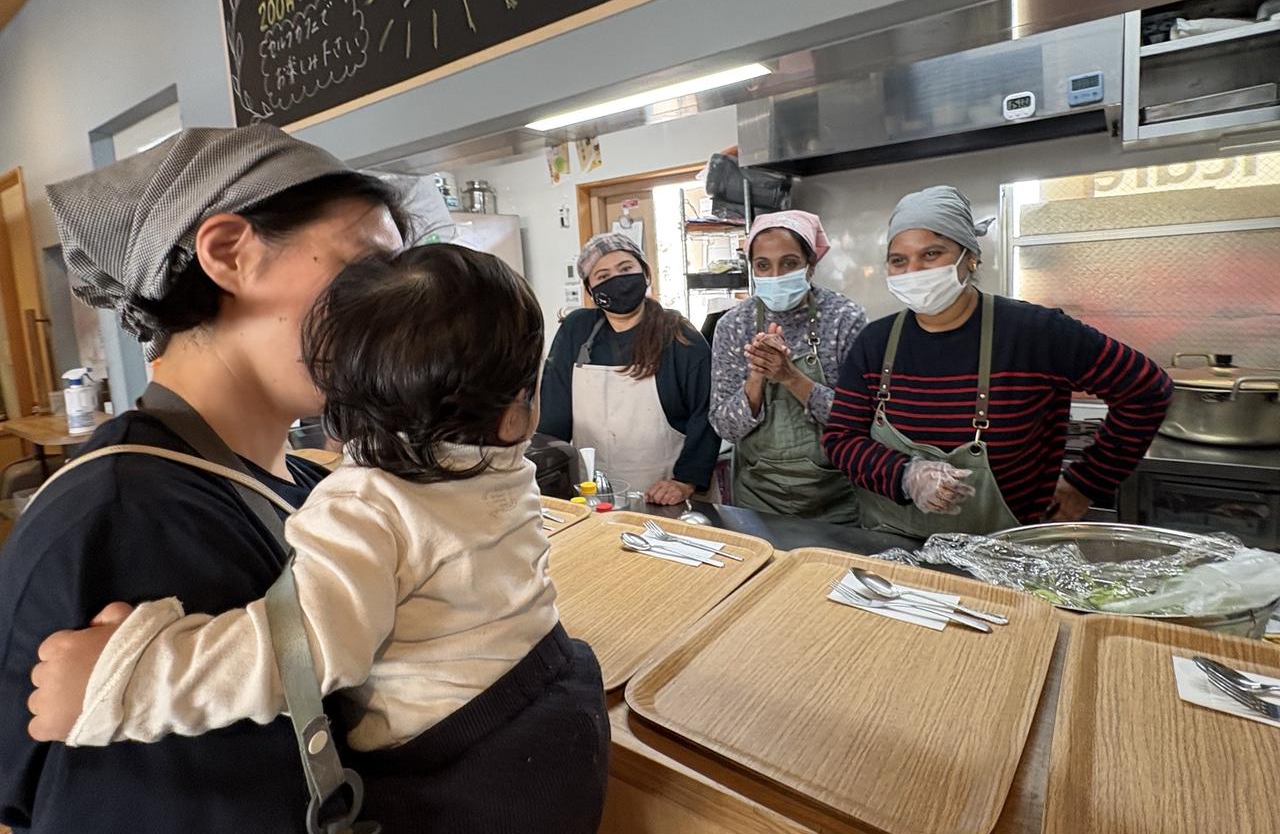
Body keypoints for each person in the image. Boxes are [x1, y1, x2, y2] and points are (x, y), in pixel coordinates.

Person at [26, 244, 609, 833]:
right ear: (516, 413)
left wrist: (125, 681)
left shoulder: (368, 506)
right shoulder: (506, 464)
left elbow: (300, 652)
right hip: (557, 700)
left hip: (467, 771)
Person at [0, 126, 406, 833]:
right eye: (368, 273)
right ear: (228, 253)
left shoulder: (299, 479)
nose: (403, 313)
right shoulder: (136, 525)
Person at [822, 185, 1173, 539]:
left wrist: (1085, 483)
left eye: (931, 254)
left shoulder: (1035, 332)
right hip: (889, 543)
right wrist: (905, 475)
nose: (913, 270)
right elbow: (841, 438)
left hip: (1005, 549)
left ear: (970, 257)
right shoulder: (876, 343)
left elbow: (1146, 390)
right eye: (899, 260)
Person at [538, 233, 719, 505]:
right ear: (590, 291)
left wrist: (685, 481)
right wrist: (546, 475)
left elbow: (706, 413)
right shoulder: (577, 330)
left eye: (625, 269)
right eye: (603, 276)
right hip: (592, 493)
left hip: (666, 494)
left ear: (645, 273)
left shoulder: (680, 336)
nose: (617, 280)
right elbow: (554, 411)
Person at [710, 210, 868, 521]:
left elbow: (858, 420)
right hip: (757, 499)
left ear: (810, 265)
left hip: (835, 499)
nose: (775, 275)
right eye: (763, 265)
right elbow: (725, 427)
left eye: (789, 263)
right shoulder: (733, 325)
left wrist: (790, 377)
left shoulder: (844, 318)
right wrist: (757, 377)